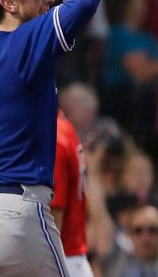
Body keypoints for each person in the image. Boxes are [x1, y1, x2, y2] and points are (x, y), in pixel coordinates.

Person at [0, 0, 120, 277]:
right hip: (19, 214)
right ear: (10, 3)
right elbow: (83, 1)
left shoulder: (14, 32)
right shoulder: (26, 44)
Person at [52, 112, 91, 277]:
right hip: (70, 261)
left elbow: (53, 220)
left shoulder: (52, 137)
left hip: (59, 261)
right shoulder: (62, 125)